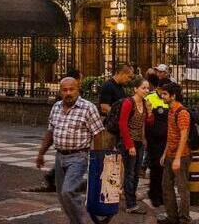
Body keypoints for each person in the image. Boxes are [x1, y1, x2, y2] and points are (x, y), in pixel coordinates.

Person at [36, 77, 104, 224]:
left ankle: (79, 221)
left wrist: (97, 160)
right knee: (62, 195)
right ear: (60, 91)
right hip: (60, 156)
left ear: (78, 89)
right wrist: (41, 153)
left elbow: (98, 134)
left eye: (71, 89)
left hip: (79, 156)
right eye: (64, 90)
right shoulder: (56, 107)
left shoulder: (88, 108)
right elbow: (50, 132)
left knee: (68, 191)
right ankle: (75, 220)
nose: (68, 93)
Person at [159, 81, 191, 224]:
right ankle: (172, 217)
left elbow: (184, 136)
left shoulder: (182, 112)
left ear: (173, 96)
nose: (162, 97)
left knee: (182, 188)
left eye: (165, 94)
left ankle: (184, 218)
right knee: (166, 186)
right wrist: (165, 153)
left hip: (181, 156)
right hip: (170, 155)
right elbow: (170, 134)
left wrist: (178, 158)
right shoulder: (170, 111)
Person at [119, 75, 149, 214]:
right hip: (128, 142)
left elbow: (148, 123)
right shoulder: (128, 102)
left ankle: (132, 198)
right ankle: (130, 204)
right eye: (143, 88)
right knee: (130, 173)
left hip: (140, 142)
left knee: (136, 173)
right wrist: (129, 145)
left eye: (147, 88)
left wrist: (149, 112)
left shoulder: (144, 103)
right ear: (135, 89)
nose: (146, 90)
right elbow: (122, 124)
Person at [145, 73, 169, 207]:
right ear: (158, 89)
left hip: (167, 140)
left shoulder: (169, 100)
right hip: (154, 141)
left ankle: (162, 194)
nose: (164, 94)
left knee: (165, 170)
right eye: (162, 91)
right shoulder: (150, 99)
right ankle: (154, 194)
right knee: (155, 168)